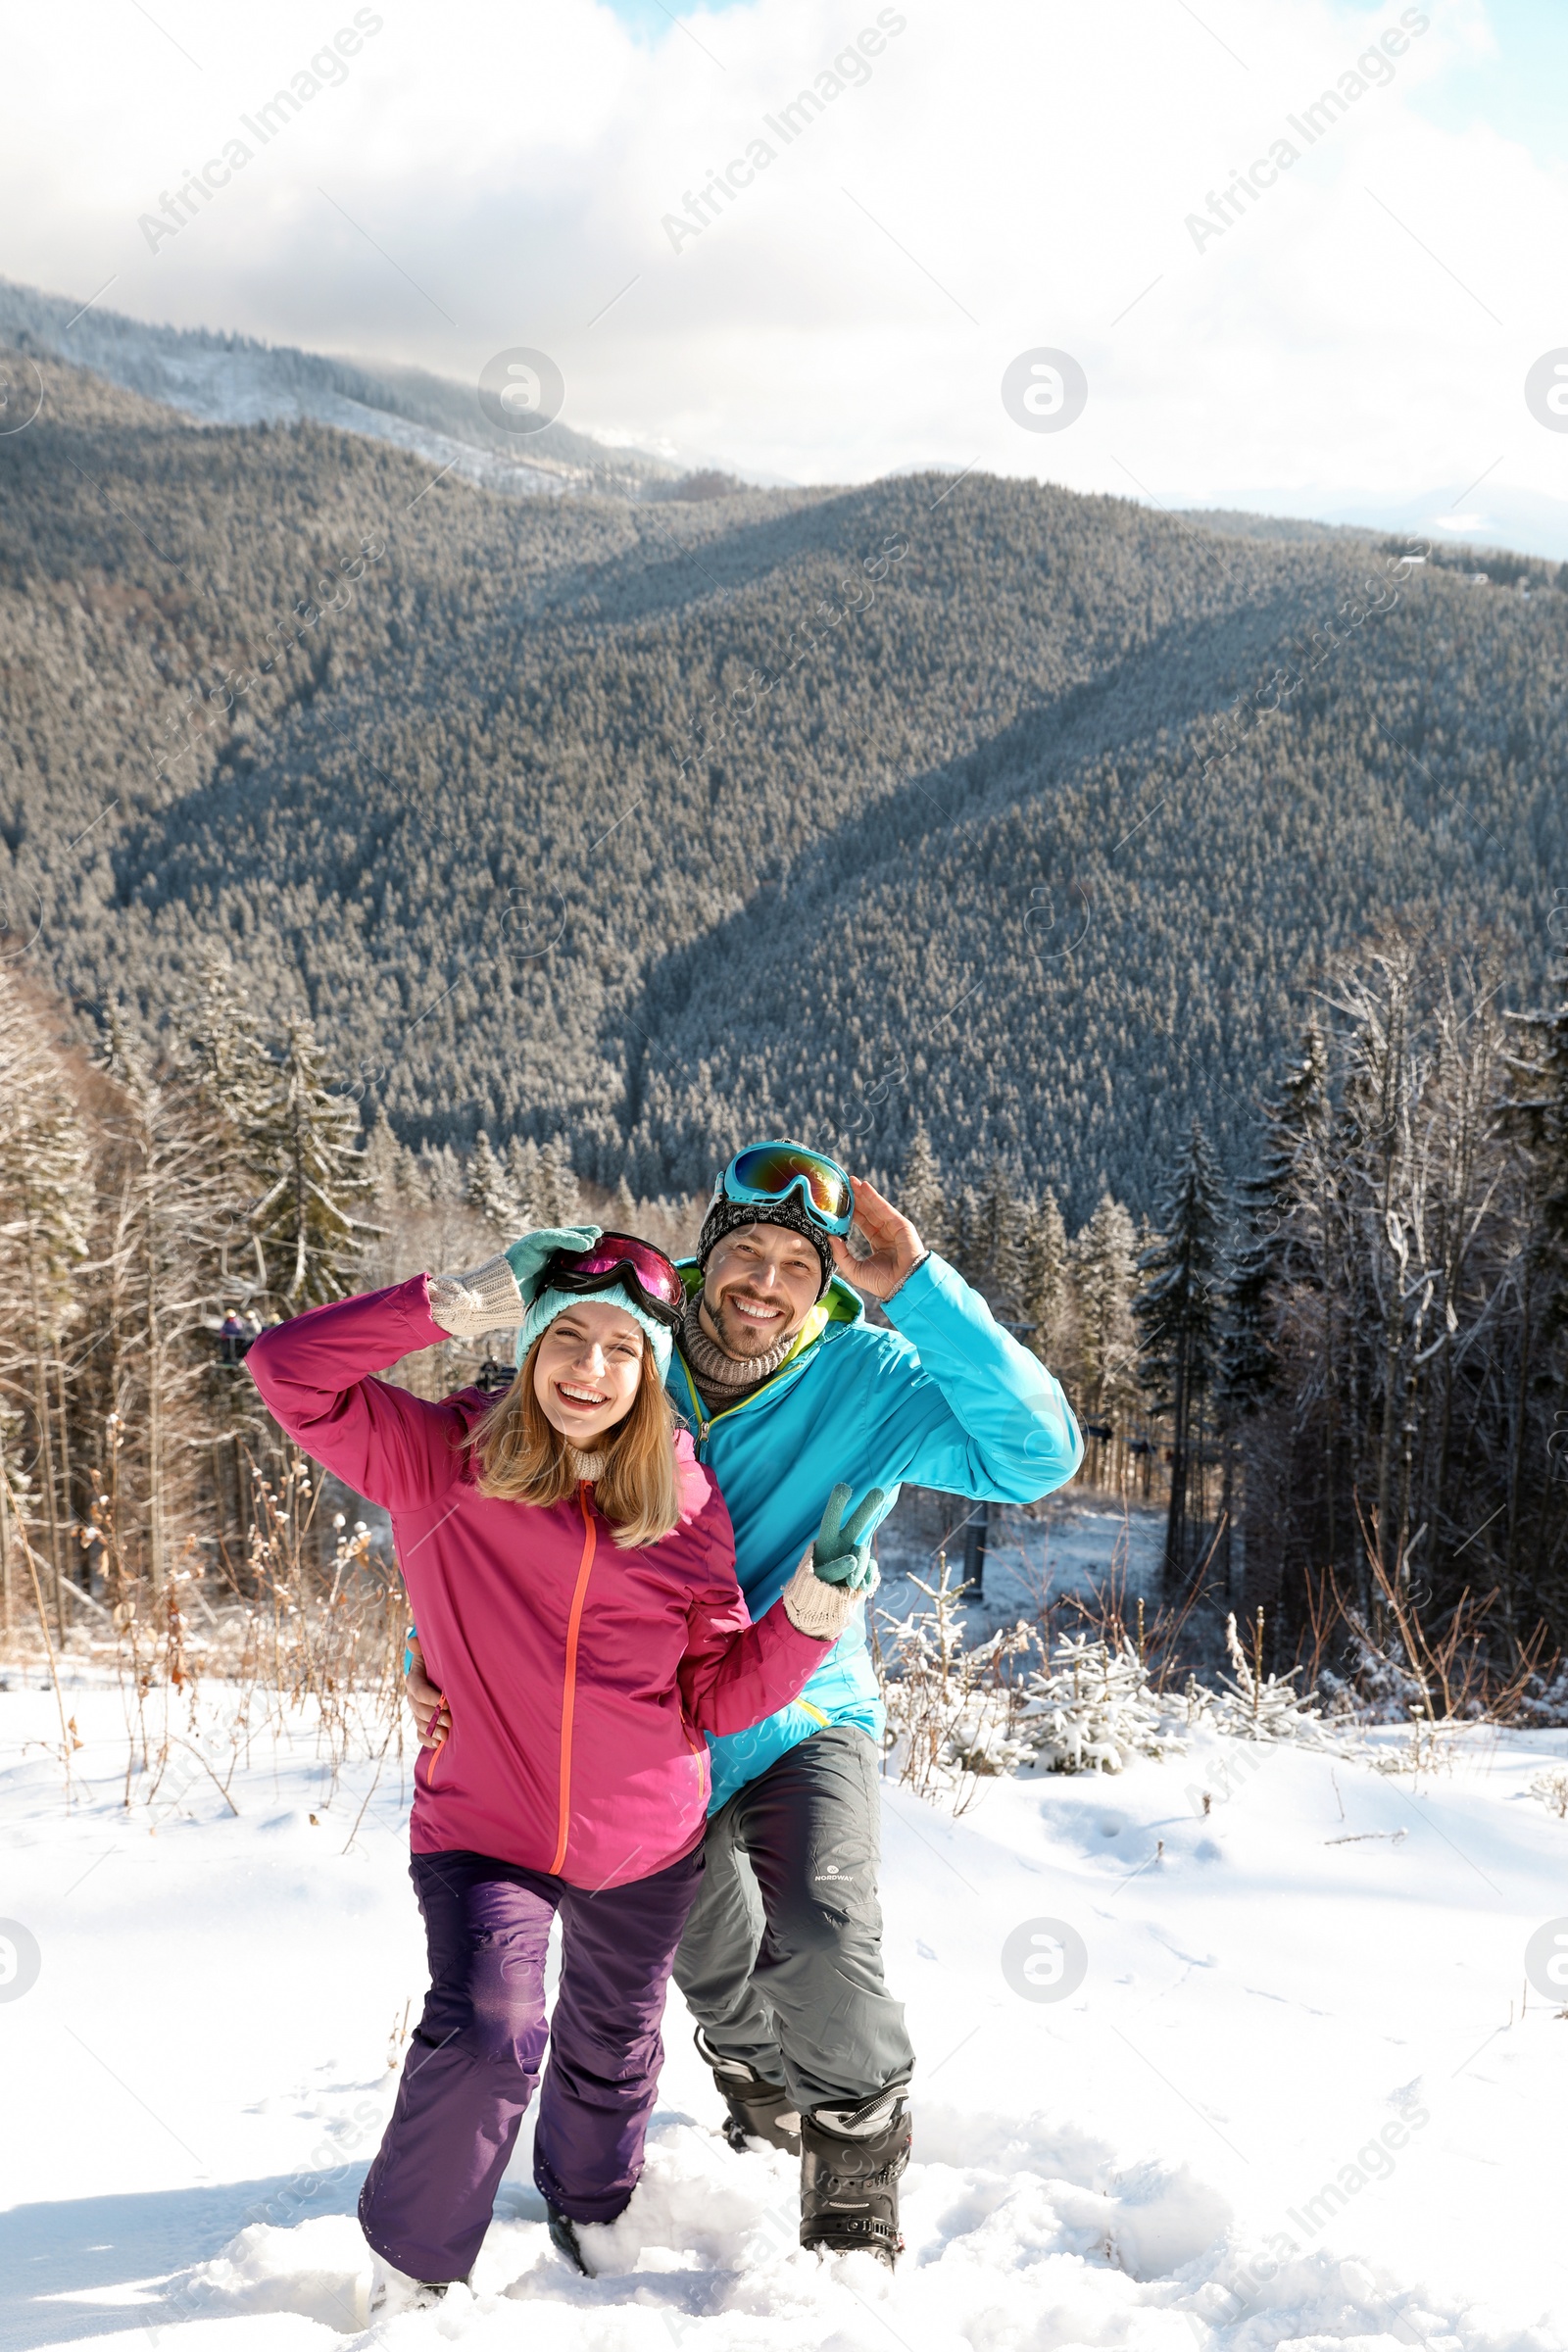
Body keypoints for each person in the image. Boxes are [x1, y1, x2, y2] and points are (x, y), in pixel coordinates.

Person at [408, 1144, 1083, 2266]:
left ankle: (856, 2148)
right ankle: (755, 2074)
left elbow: (1038, 1453)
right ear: (710, 1245)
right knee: (710, 1951)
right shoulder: (628, 1332)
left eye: (796, 1266)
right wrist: (429, 1643)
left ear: (827, 1280)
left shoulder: (869, 1378)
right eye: (746, 1253)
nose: (765, 1285)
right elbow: (480, 1491)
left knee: (818, 1924)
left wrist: (914, 1287)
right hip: (647, 1735)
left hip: (798, 1710)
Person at [247, 1228, 881, 2307]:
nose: (591, 1370)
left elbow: (717, 1694)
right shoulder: (442, 1458)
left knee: (614, 2037)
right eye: (566, 1339)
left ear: (650, 1372)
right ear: (529, 1346)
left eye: (621, 1351)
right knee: (491, 2030)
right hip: (482, 1827)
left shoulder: (682, 1501)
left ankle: (591, 2205)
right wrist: (455, 1301)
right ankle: (414, 2266)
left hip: (646, 1836)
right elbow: (288, 1371)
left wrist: (814, 1607)